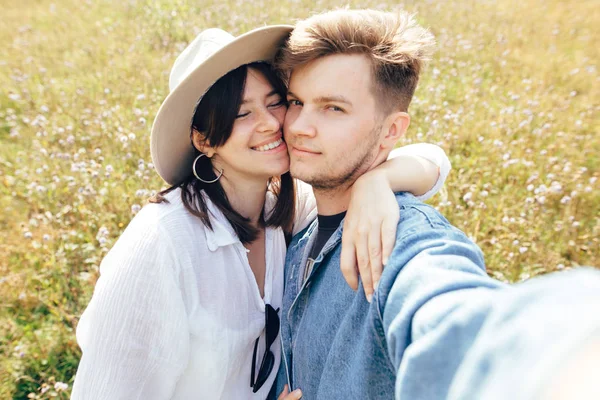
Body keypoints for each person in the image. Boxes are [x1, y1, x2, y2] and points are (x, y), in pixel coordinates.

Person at [70, 25, 451, 399]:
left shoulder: (286, 211)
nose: (273, 124)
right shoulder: (160, 244)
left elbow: (432, 161)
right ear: (204, 139)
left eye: (276, 102)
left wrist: (378, 182)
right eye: (241, 114)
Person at [272, 9, 600, 400]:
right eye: (296, 102)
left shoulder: (403, 243)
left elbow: (456, 322)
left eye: (333, 108)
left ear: (392, 130)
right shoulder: (299, 225)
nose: (298, 126)